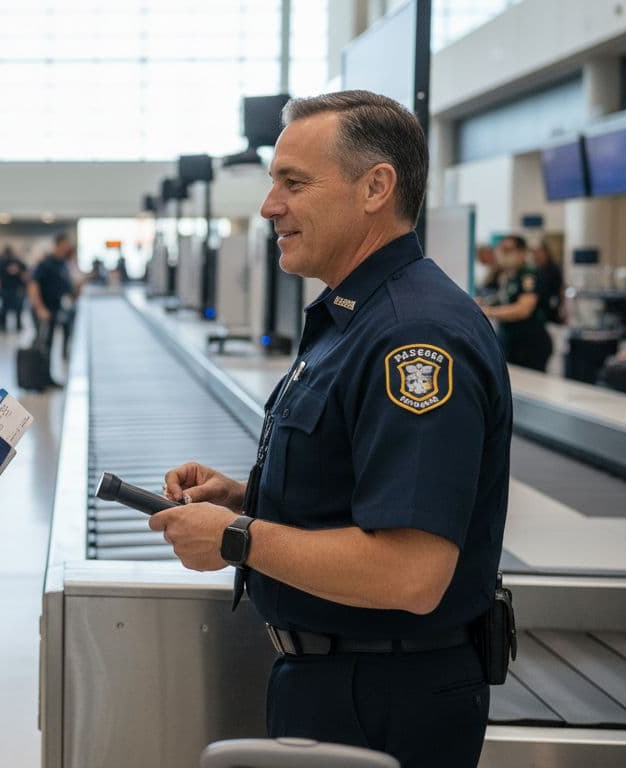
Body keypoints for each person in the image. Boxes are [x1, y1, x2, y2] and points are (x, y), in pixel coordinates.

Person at [149, 91, 510, 768]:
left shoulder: (414, 336)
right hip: (332, 683)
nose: (269, 206)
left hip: (383, 699)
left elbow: (412, 573)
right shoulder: (354, 321)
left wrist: (237, 538)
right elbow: (354, 489)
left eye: (294, 183)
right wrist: (245, 499)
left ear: (377, 187)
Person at [482, 234, 553, 372]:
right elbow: (498, 299)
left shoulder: (529, 276)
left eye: (508, 250)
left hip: (530, 345)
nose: (503, 254)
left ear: (521, 253)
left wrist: (488, 312)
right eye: (501, 250)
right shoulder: (506, 277)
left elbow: (523, 309)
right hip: (509, 342)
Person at [28, 234, 78, 362]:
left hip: (56, 307)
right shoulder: (46, 263)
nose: (67, 248)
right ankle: (38, 375)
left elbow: (67, 288)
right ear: (58, 245)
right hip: (44, 308)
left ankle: (47, 375)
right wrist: (40, 308)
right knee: (43, 342)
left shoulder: (63, 264)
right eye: (65, 245)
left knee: (51, 341)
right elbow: (33, 285)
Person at [0, 245, 28, 332]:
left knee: (14, 308)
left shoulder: (16, 262)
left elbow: (25, 274)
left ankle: (11, 326)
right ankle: (13, 326)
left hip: (13, 288)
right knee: (9, 308)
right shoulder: (3, 262)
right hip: (9, 288)